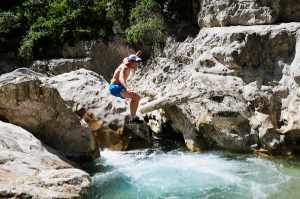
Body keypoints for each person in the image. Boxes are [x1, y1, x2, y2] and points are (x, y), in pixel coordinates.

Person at [108, 53, 143, 123]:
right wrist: (127, 88)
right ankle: (133, 118)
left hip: (117, 87)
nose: (137, 64)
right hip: (115, 87)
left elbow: (127, 59)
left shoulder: (128, 63)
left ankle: (132, 117)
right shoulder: (125, 67)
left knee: (134, 97)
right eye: (136, 63)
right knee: (136, 97)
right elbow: (121, 78)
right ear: (131, 62)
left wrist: (136, 56)